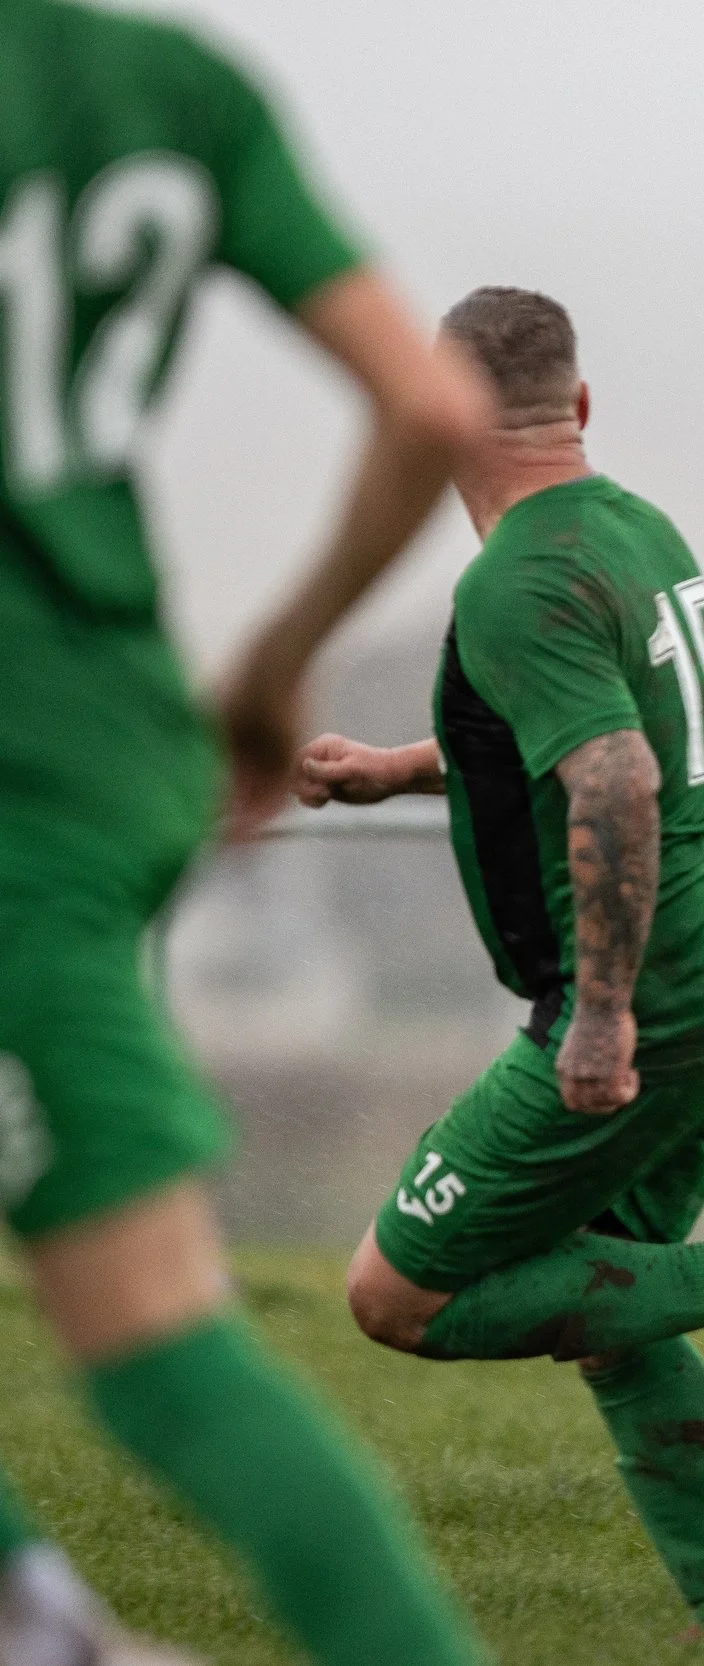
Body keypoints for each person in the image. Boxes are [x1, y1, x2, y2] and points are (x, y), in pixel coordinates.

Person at [0, 3, 498, 1661]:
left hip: (15, 804)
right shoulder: (167, 86)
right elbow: (431, 410)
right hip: (96, 736)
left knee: (150, 1335)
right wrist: (271, 674)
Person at [292, 287, 704, 1643]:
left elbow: (614, 773)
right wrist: (407, 768)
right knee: (606, 1300)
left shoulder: (517, 575)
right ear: (579, 408)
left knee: (398, 1291)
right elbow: (584, 727)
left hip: (647, 1002)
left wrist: (600, 1016)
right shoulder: (631, 526)